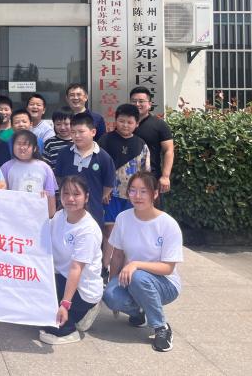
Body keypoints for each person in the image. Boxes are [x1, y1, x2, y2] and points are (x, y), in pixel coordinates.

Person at [103, 172, 184, 353]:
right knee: (110, 295)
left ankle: (161, 327)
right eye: (132, 191)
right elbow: (117, 255)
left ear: (155, 194)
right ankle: (139, 312)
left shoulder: (168, 224)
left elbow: (168, 268)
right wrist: (112, 283)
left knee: (138, 277)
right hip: (133, 279)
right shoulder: (123, 218)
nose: (137, 196)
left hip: (165, 284)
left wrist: (135, 264)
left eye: (143, 191)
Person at [39, 175, 103, 345]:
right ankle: (74, 315)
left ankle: (75, 323)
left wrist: (65, 304)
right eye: (66, 193)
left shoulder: (88, 230)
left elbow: (76, 268)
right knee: (38, 315)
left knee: (53, 328)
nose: (70, 199)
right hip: (60, 277)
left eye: (76, 194)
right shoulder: (59, 216)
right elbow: (41, 233)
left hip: (82, 289)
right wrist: (38, 203)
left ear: (86, 197)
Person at [99, 104, 150, 270]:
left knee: (129, 233)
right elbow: (98, 167)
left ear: (137, 124)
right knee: (110, 231)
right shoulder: (105, 140)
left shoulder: (141, 144)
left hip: (132, 197)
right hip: (110, 196)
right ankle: (105, 267)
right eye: (121, 121)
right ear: (115, 121)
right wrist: (104, 189)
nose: (125, 125)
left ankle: (126, 268)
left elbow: (145, 172)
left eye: (129, 122)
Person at [53, 113, 116, 230]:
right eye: (73, 132)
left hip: (93, 211)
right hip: (67, 210)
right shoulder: (63, 154)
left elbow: (108, 186)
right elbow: (59, 178)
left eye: (81, 132)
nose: (77, 136)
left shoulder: (104, 157)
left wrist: (93, 196)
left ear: (93, 132)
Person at [1, 130, 57, 217]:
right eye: (18, 144)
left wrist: (50, 216)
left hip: (38, 216)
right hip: (14, 215)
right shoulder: (6, 167)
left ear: (34, 148)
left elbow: (51, 195)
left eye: (26, 144)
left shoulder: (45, 167)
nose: (22, 147)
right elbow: (1, 194)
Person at [131, 86, 174, 194]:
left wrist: (165, 176)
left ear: (150, 104)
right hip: (126, 177)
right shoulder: (125, 124)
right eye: (134, 101)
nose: (137, 104)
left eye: (141, 101)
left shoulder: (159, 125)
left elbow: (169, 150)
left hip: (151, 177)